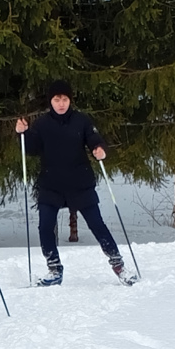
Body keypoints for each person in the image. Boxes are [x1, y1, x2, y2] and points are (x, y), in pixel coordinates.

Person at [15, 80, 134, 286]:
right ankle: (54, 269)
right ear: (50, 101)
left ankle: (119, 265)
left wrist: (99, 149)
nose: (61, 103)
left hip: (80, 182)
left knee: (97, 224)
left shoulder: (81, 120)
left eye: (64, 99)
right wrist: (21, 134)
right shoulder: (42, 124)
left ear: (70, 100)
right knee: (45, 227)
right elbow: (31, 149)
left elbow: (94, 139)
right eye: (56, 99)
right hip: (51, 184)